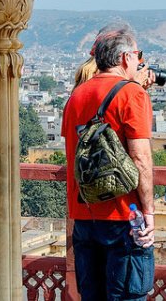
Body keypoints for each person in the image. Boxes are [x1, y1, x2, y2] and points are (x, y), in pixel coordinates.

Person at [61, 22, 156, 300]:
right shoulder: (132, 93)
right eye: (138, 56)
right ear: (126, 58)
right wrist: (149, 212)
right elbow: (140, 157)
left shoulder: (76, 95)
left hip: (84, 214)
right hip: (124, 216)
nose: (139, 62)